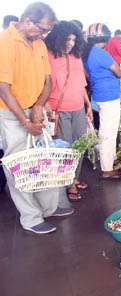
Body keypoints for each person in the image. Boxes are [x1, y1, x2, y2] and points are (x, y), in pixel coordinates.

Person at [0, 2, 75, 234]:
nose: (45, 34)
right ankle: (31, 217)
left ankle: (47, 208)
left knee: (44, 160)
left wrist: (40, 105)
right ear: (28, 21)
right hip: (12, 115)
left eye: (48, 30)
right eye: (43, 29)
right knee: (19, 165)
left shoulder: (39, 44)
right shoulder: (5, 43)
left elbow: (48, 81)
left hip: (35, 109)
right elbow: (3, 88)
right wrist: (25, 121)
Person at [45, 20, 92, 202]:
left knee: (79, 147)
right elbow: (43, 85)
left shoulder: (76, 56)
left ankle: (73, 177)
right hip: (59, 111)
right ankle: (69, 183)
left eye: (73, 40)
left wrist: (87, 105)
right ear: (57, 38)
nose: (70, 43)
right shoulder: (48, 56)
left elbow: (80, 84)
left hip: (78, 108)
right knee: (66, 149)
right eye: (67, 39)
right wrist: (47, 108)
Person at [83, 23, 121, 180]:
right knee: (108, 132)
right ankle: (107, 169)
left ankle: (110, 160)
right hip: (109, 97)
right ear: (105, 38)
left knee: (107, 130)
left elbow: (86, 76)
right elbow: (119, 72)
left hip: (98, 95)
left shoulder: (86, 54)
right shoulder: (100, 53)